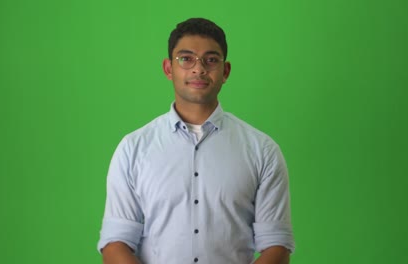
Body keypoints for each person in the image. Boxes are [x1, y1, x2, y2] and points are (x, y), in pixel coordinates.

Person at [97, 18, 295, 264]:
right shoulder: (133, 149)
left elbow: (277, 245)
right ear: (169, 69)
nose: (198, 69)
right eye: (186, 58)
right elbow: (115, 243)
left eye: (211, 60)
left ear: (226, 71)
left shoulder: (262, 151)